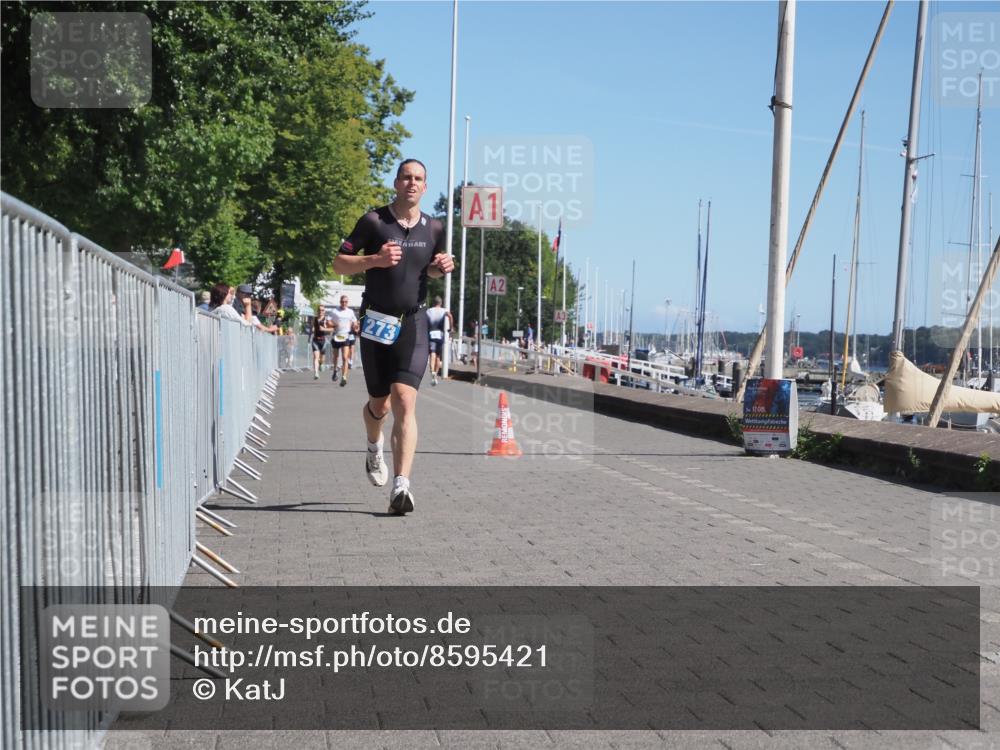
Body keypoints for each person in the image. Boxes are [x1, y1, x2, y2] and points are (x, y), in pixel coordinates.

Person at [332, 158, 455, 515]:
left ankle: (402, 486)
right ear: (396, 182)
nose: (412, 183)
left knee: (405, 400)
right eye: (406, 177)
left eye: (418, 179)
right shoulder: (374, 221)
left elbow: (428, 271)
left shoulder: (435, 228)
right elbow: (340, 263)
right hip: (375, 323)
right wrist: (374, 260)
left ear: (425, 187)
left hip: (412, 323)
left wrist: (439, 268)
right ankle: (374, 446)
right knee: (380, 404)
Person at [330, 294, 359, 386]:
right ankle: (335, 370)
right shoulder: (335, 311)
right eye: (342, 302)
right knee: (336, 356)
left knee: (345, 357)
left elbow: (354, 322)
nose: (344, 303)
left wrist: (355, 326)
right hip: (337, 335)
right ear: (340, 302)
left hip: (345, 336)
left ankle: (344, 377)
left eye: (346, 302)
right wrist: (334, 325)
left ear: (347, 303)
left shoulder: (350, 312)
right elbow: (328, 321)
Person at [425, 296, 453, 386]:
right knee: (438, 356)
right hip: (440, 334)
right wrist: (451, 327)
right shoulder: (444, 310)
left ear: (433, 303)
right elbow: (450, 316)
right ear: (440, 303)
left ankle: (432, 371)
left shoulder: (429, 311)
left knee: (432, 353)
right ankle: (436, 374)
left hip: (431, 333)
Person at [310, 304, 332, 379]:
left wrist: (324, 329)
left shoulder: (326, 320)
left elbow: (332, 329)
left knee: (322, 359)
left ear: (324, 311)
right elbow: (312, 327)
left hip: (323, 341)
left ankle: (321, 363)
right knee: (316, 357)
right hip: (315, 340)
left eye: (322, 310)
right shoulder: (314, 319)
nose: (320, 311)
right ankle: (316, 373)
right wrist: (312, 329)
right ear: (317, 311)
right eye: (319, 310)